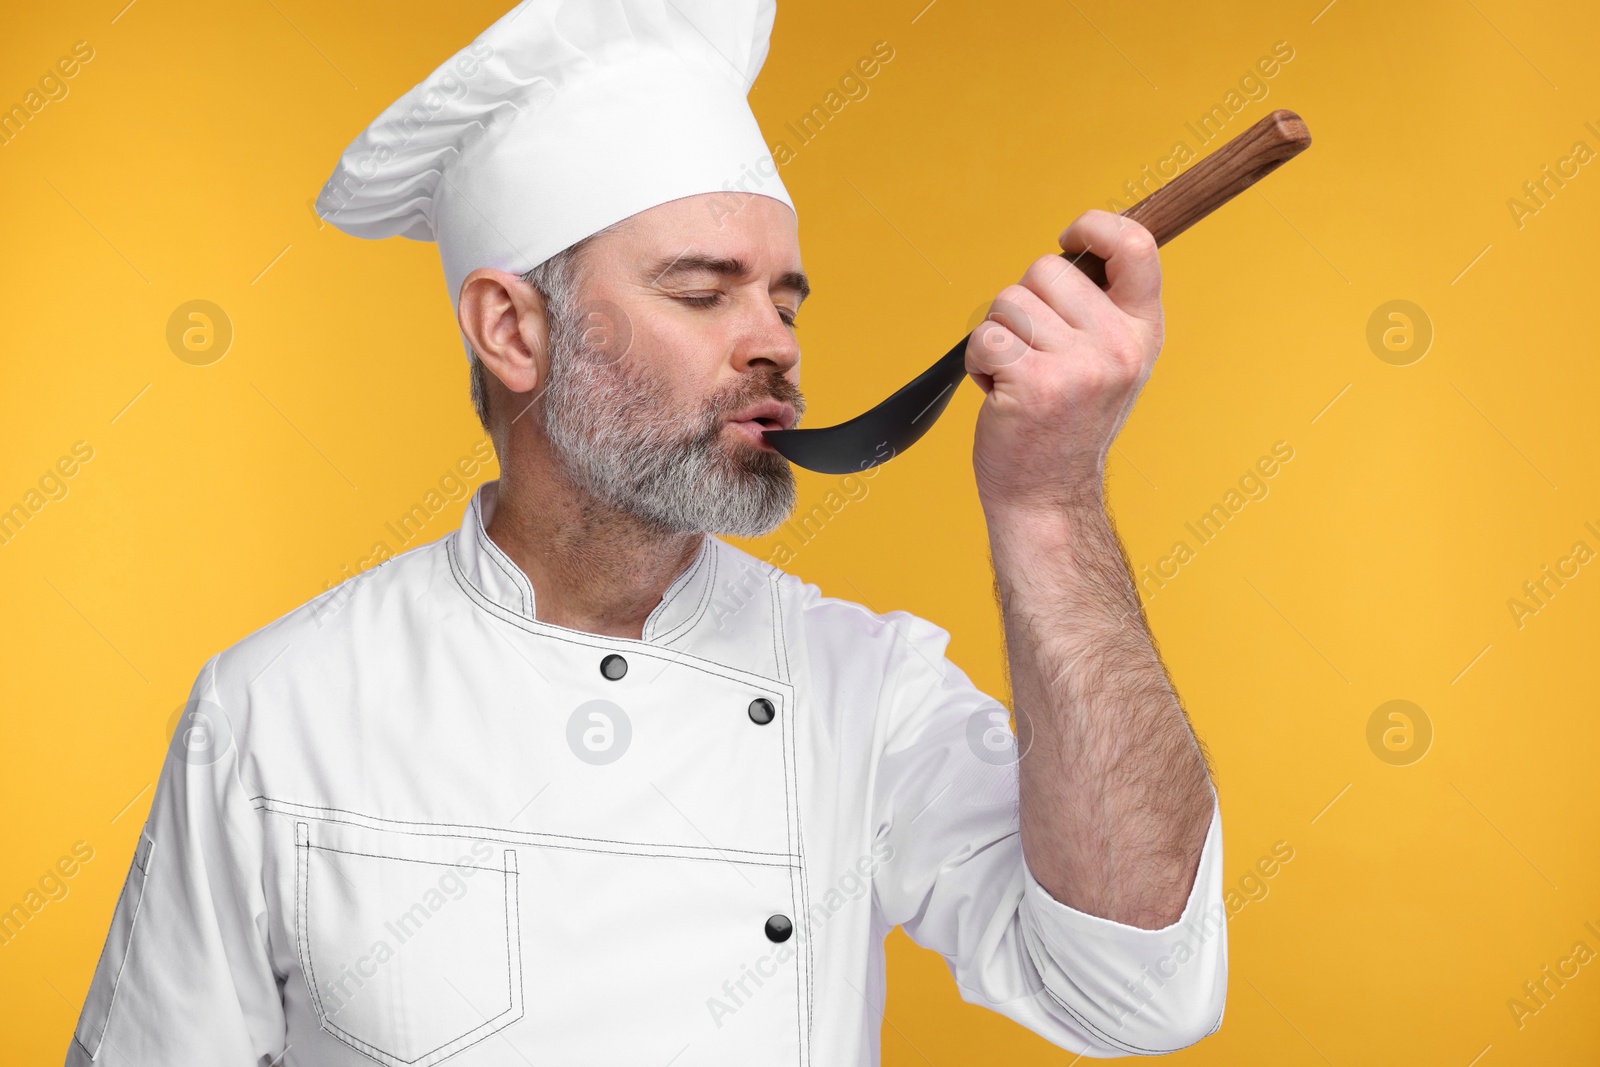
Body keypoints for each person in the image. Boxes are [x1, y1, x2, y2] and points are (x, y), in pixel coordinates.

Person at [66, 1, 1226, 1063]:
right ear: (512, 331)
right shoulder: (277, 707)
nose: (774, 341)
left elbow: (1135, 991)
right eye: (702, 290)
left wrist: (1048, 498)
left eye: (784, 298)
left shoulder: (865, 693)